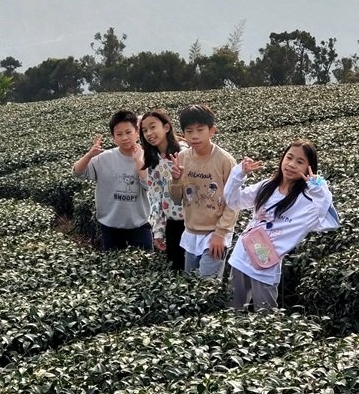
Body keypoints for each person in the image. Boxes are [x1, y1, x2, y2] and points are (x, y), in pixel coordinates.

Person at [224, 139, 340, 311]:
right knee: (232, 311)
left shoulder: (307, 202)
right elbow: (233, 201)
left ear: (310, 168)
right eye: (289, 158)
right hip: (241, 257)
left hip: (265, 268)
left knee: (267, 320)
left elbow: (329, 221)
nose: (291, 165)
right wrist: (239, 174)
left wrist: (317, 187)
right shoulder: (266, 186)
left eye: (300, 162)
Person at [169, 104, 237, 279]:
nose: (194, 136)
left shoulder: (225, 161)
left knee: (207, 289)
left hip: (215, 235)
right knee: (192, 288)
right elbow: (176, 199)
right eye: (189, 131)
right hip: (191, 233)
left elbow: (234, 202)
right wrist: (176, 180)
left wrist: (220, 234)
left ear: (212, 131)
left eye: (200, 130)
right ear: (183, 133)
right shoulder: (182, 158)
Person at [73, 109, 152, 251]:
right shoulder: (104, 158)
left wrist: (138, 161)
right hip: (110, 227)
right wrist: (89, 155)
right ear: (113, 138)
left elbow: (149, 186)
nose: (124, 138)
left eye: (128, 132)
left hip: (140, 225)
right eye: (119, 134)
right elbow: (78, 172)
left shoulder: (147, 157)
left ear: (137, 132)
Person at [139, 108, 188, 270]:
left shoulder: (184, 151)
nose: (149, 133)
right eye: (144, 130)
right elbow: (155, 197)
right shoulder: (152, 160)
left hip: (193, 220)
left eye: (153, 127)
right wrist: (158, 230)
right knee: (176, 268)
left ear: (166, 127)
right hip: (172, 222)